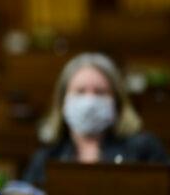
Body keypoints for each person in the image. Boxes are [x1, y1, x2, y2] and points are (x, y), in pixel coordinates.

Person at [22, 52, 169, 186]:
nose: (90, 101)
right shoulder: (46, 157)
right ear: (63, 101)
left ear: (116, 101)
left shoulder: (144, 149)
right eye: (80, 91)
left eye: (100, 92)